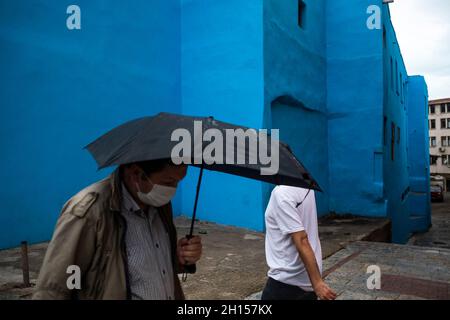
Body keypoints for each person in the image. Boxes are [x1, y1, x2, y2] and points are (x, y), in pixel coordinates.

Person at [33, 159, 202, 300]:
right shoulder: (89, 213)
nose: (173, 189)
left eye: (178, 182)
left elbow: (154, 266)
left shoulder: (160, 205)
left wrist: (180, 258)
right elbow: (56, 287)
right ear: (136, 173)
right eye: (168, 182)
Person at [262, 185, 336, 300]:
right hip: (306, 281)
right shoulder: (306, 187)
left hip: (286, 281)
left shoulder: (281, 193)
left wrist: (317, 283)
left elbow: (301, 239)